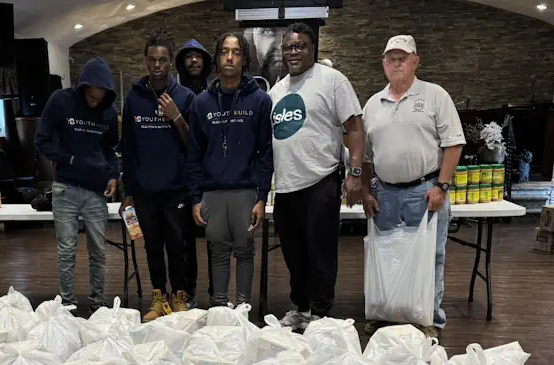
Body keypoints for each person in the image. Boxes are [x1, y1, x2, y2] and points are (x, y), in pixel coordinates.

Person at [362, 35, 465, 339]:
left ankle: (428, 318)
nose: (396, 63)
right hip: (384, 193)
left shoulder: (435, 96)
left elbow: (453, 143)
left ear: (415, 61)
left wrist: (442, 186)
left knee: (429, 257)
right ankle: (387, 314)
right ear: (383, 63)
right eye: (390, 58)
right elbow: (366, 156)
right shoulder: (373, 104)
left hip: (426, 191)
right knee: (387, 255)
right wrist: (366, 191)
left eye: (402, 57)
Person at [269, 22, 365, 330]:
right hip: (285, 187)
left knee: (321, 253)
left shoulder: (332, 80)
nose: (293, 52)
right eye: (288, 47)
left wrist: (355, 173)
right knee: (294, 254)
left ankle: (321, 314)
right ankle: (300, 307)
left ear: (313, 49)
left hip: (321, 181)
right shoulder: (277, 91)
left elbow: (355, 128)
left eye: (300, 46)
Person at [187, 32, 273, 308]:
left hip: (245, 190)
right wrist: (195, 197)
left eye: (236, 52)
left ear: (244, 59)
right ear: (217, 58)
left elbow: (265, 153)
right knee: (218, 252)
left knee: (245, 251)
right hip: (212, 192)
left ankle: (244, 308)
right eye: (225, 51)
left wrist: (262, 197)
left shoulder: (259, 101)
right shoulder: (201, 103)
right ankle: (221, 307)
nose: (230, 57)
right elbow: (194, 155)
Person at [121, 29, 195, 321]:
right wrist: (128, 191)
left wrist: (176, 116)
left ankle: (179, 295)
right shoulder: (134, 99)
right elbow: (127, 146)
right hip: (144, 189)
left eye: (162, 60)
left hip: (176, 188)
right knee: (152, 245)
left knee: (178, 245)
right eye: (152, 60)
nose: (157, 66)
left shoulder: (185, 97)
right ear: (146, 61)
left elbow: (194, 144)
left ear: (170, 63)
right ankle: (158, 297)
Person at [35, 57, 119, 313]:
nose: (94, 102)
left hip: (96, 190)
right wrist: (69, 159)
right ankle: (68, 304)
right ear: (83, 87)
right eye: (91, 97)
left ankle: (97, 303)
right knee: (66, 250)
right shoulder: (60, 101)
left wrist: (114, 175)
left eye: (99, 98)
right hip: (66, 188)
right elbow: (42, 141)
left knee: (99, 252)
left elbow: (110, 149)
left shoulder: (109, 111)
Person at [176, 39, 213, 304]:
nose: (194, 61)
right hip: (180, 177)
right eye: (188, 57)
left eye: (198, 56)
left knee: (213, 239)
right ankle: (187, 291)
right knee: (185, 240)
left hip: (209, 176)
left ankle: (216, 293)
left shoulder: (214, 95)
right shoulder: (174, 94)